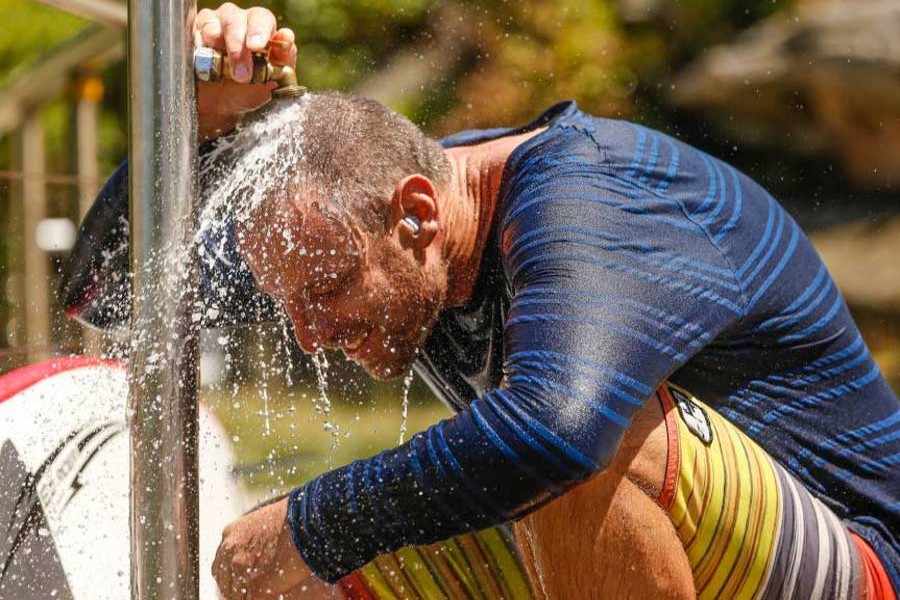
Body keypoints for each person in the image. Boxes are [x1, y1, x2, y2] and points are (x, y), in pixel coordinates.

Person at [71, 5, 899, 599]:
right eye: (295, 305)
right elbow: (106, 299)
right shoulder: (357, 211)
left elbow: (556, 431)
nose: (310, 333)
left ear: (420, 215)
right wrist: (193, 127)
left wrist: (305, 521)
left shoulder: (592, 198)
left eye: (326, 293)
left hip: (857, 565)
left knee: (578, 444)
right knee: (285, 584)